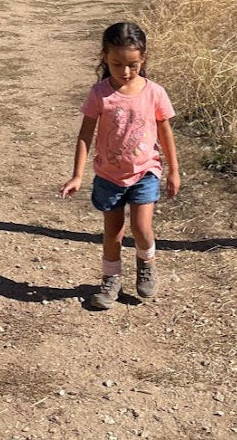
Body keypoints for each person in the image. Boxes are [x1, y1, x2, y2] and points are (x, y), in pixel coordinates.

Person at [60, 21, 181, 308]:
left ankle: (146, 263)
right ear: (105, 57)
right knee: (113, 232)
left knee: (141, 227)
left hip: (145, 171)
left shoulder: (154, 93)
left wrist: (174, 171)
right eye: (117, 64)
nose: (125, 72)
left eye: (132, 65)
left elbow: (165, 133)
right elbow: (85, 134)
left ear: (143, 59)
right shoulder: (100, 93)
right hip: (109, 175)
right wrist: (77, 175)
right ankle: (111, 279)